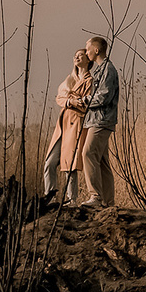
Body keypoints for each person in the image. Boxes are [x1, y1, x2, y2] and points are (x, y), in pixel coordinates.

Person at [39, 53, 91, 204]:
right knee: (49, 162)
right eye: (75, 55)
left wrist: (72, 100)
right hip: (62, 124)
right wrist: (71, 101)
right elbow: (59, 98)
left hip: (75, 124)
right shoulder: (69, 79)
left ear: (88, 60)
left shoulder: (89, 81)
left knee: (70, 163)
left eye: (81, 55)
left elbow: (86, 104)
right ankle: (50, 196)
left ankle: (71, 199)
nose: (76, 57)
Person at [79, 36, 119, 209]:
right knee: (102, 161)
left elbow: (104, 96)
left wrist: (85, 100)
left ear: (96, 50)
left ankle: (95, 196)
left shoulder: (107, 70)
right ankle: (108, 202)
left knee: (88, 153)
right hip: (97, 120)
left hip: (102, 120)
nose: (86, 52)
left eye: (88, 49)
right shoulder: (100, 70)